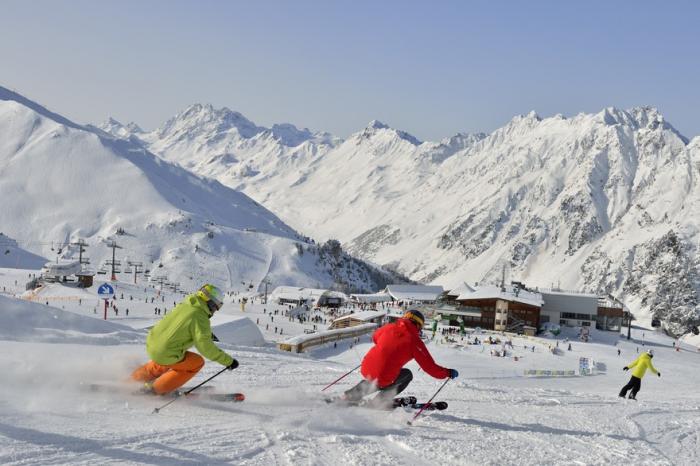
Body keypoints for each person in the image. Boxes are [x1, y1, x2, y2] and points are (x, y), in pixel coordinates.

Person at [131, 284, 238, 395]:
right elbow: (205, 347)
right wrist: (228, 361)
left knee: (164, 359)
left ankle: (133, 380)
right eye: (216, 306)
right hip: (165, 352)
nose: (215, 310)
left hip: (152, 343)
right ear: (210, 302)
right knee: (196, 362)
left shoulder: (185, 305)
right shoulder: (200, 316)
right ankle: (155, 390)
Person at [342, 310, 458, 408]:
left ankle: (349, 396)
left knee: (376, 376)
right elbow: (430, 368)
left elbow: (375, 338)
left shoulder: (388, 327)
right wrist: (447, 372)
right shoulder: (414, 341)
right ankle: (378, 402)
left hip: (366, 367)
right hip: (384, 375)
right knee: (405, 375)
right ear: (418, 325)